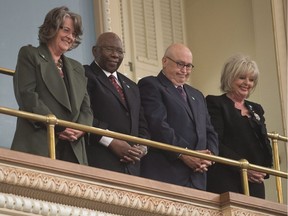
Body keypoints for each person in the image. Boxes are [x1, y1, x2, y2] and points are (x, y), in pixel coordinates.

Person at [11, 6, 93, 165]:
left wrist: (80, 128)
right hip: (39, 142)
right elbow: (27, 96)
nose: (70, 37)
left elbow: (86, 108)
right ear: (52, 28)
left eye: (74, 34)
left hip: (73, 148)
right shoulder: (30, 54)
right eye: (66, 30)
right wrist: (58, 126)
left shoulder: (77, 68)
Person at [138, 43, 219, 190]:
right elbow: (158, 125)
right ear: (164, 61)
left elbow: (209, 130)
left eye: (189, 66)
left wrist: (209, 157)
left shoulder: (197, 95)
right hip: (166, 175)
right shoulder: (151, 85)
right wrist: (184, 153)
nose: (185, 70)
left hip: (197, 178)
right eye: (180, 64)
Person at [206, 54, 273, 198]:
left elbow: (264, 142)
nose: (247, 83)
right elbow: (216, 142)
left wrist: (264, 170)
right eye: (242, 77)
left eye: (251, 79)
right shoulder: (215, 103)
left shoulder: (256, 108)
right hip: (226, 176)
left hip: (255, 178)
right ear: (230, 78)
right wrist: (242, 168)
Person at [84, 32, 150, 175]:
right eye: (109, 49)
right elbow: (84, 115)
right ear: (95, 51)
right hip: (100, 162)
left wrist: (143, 147)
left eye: (120, 51)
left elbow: (142, 125)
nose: (115, 55)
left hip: (132, 167)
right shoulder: (85, 75)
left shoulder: (132, 86)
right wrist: (111, 141)